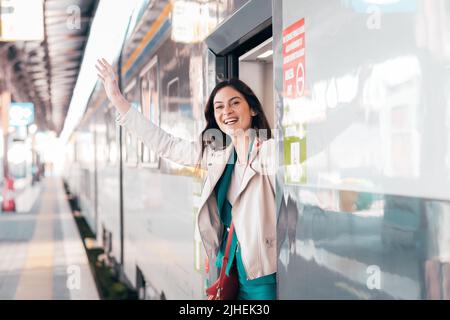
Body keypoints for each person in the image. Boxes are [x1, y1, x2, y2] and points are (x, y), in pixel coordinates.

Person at [96, 58, 277, 300]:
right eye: (219, 107)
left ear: (252, 109)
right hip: (230, 274)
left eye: (235, 103)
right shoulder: (218, 158)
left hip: (262, 278)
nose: (227, 112)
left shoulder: (268, 152)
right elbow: (166, 145)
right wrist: (118, 100)